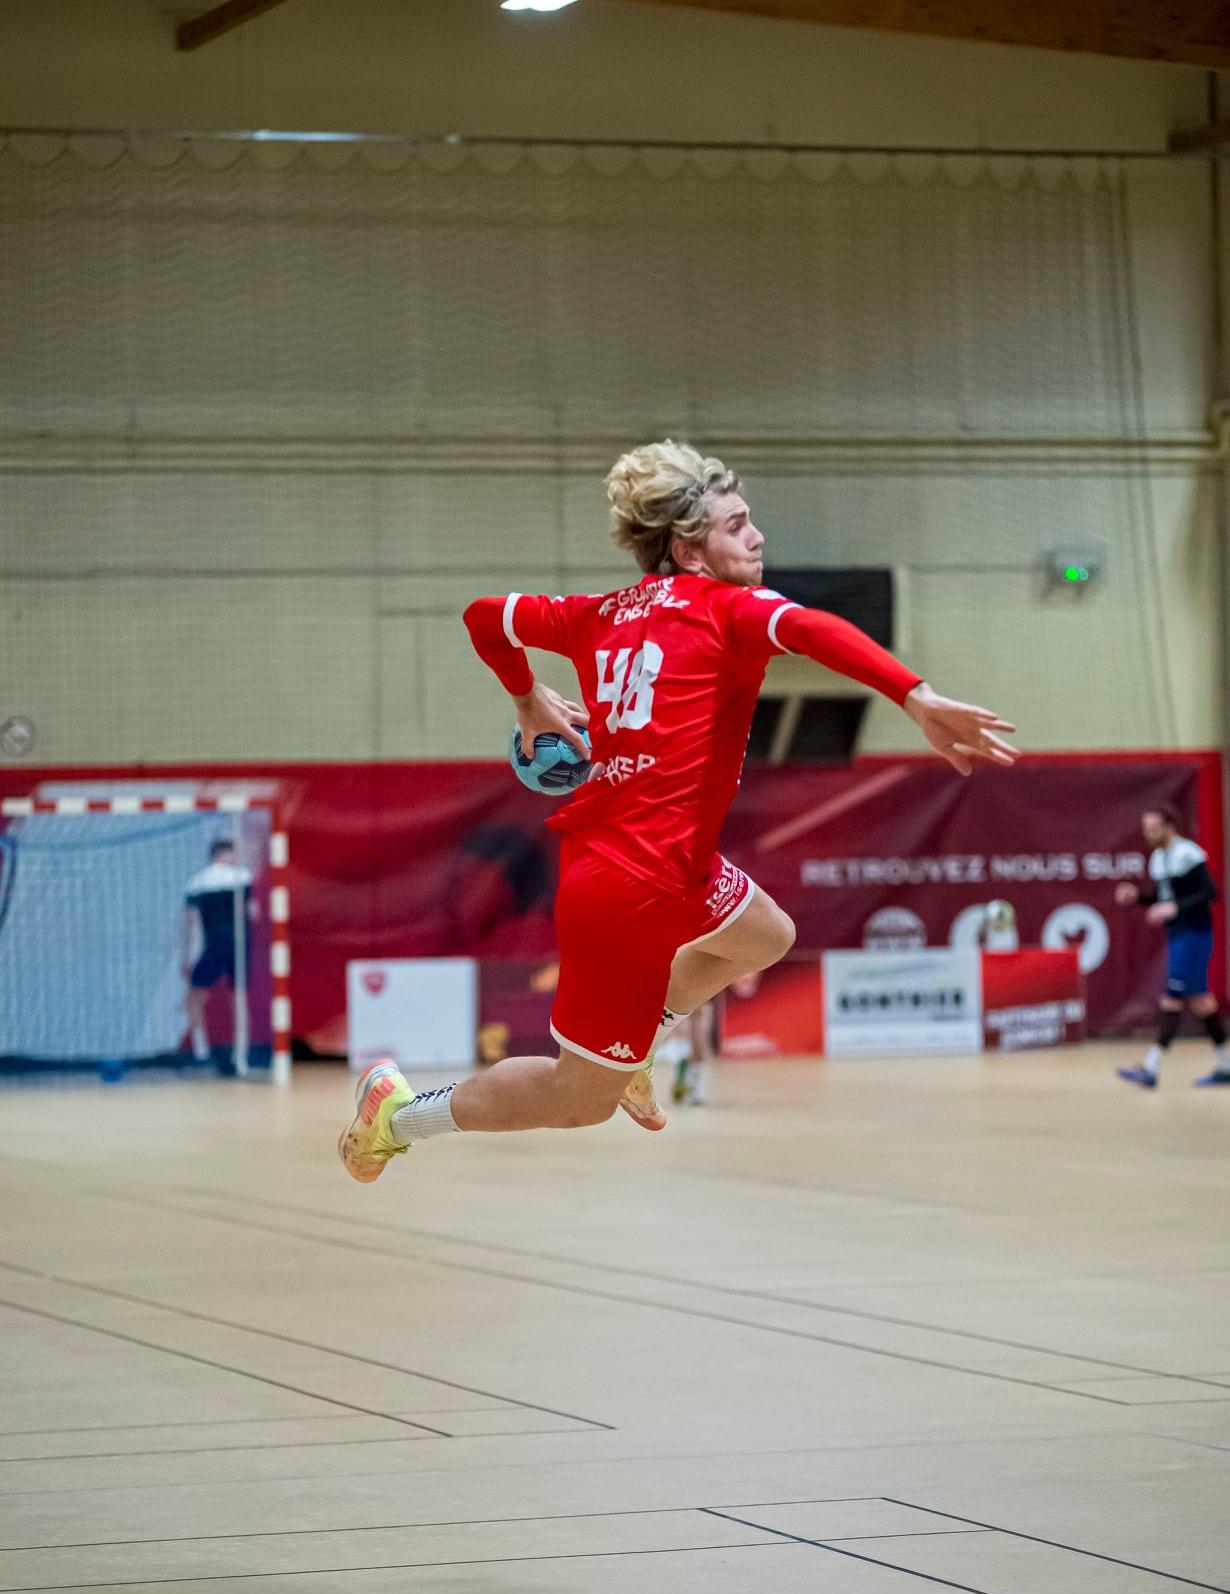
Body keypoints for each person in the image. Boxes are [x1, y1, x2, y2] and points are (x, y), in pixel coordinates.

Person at [340, 440, 1017, 1183]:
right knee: (577, 1100)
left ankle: (644, 1040)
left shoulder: (594, 614)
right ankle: (397, 1115)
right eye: (737, 524)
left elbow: (483, 616)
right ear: (691, 551)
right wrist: (915, 696)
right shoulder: (729, 610)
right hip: (629, 893)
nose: (757, 537)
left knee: (766, 936)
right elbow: (814, 630)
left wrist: (526, 695)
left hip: (664, 863)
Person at [1114, 805, 1230, 1088]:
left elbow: (1209, 892)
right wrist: (1137, 897)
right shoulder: (1158, 858)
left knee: (1172, 998)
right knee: (1202, 1003)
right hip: (1178, 934)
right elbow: (1162, 895)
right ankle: (1225, 1065)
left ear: (1169, 827)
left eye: (1153, 828)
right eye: (1146, 829)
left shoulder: (1187, 854)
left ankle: (1150, 1066)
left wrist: (1174, 908)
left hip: (1195, 935)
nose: (1148, 834)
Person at [182, 837, 254, 1073]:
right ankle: (241, 1055)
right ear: (225, 854)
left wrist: (186, 957)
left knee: (194, 996)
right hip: (238, 946)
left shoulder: (197, 881)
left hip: (213, 945)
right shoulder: (242, 876)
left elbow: (190, 922)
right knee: (239, 999)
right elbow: (251, 912)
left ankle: (201, 1050)